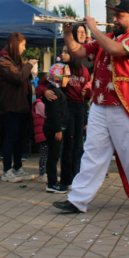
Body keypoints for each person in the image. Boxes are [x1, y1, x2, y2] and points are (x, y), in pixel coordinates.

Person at [52, 0, 129, 214]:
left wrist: (93, 28)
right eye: (114, 15)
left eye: (119, 16)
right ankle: (78, 200)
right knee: (92, 152)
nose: (114, 19)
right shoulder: (106, 37)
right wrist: (67, 34)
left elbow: (116, 50)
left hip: (125, 104)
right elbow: (78, 52)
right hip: (100, 103)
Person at [37, 46, 92, 188]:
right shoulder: (58, 68)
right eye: (62, 51)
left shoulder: (83, 70)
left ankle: (76, 178)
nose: (62, 54)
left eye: (67, 52)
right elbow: (42, 86)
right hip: (66, 108)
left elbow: (89, 92)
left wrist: (87, 92)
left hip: (80, 108)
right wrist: (44, 92)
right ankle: (66, 179)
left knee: (77, 146)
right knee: (68, 145)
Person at [0, 32, 37, 183]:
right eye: (23, 45)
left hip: (22, 105)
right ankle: (7, 171)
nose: (24, 49)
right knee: (10, 138)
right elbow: (19, 77)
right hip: (11, 106)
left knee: (21, 138)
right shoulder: (4, 60)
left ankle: (18, 168)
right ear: (15, 44)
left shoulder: (16, 60)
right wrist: (29, 65)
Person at [42, 63, 71, 193]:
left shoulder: (58, 91)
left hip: (56, 128)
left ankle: (53, 181)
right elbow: (54, 113)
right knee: (53, 157)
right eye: (65, 76)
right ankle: (51, 183)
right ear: (58, 77)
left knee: (54, 156)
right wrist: (58, 130)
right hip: (54, 129)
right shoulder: (53, 93)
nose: (68, 79)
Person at [31, 96, 48, 183]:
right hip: (42, 133)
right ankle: (42, 173)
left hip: (44, 133)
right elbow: (47, 113)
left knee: (46, 154)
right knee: (44, 154)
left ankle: (46, 173)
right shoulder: (39, 104)